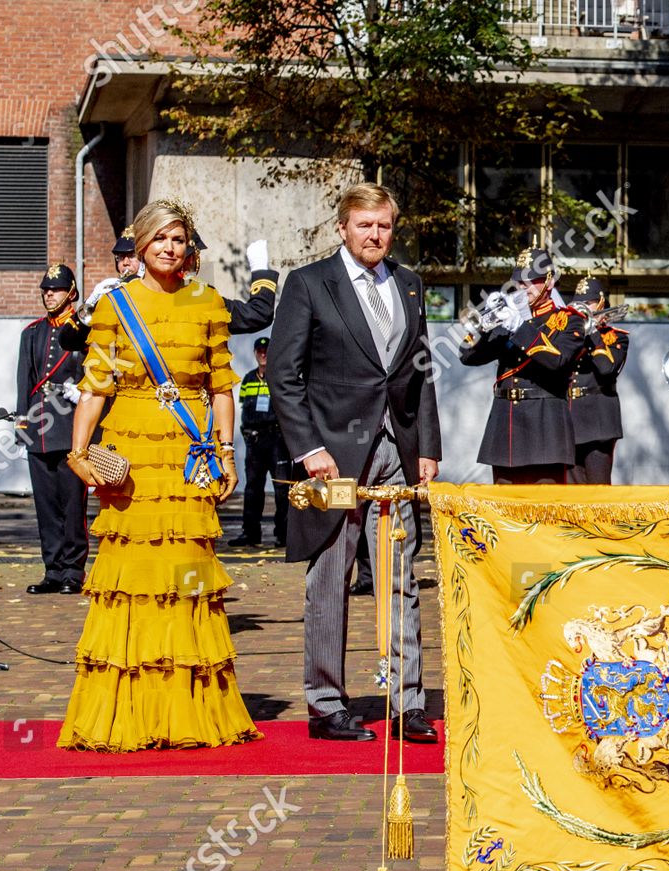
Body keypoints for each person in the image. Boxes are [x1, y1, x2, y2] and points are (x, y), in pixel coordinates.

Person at [58, 200, 260, 752]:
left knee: (186, 575)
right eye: (160, 239)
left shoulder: (210, 302)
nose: (170, 248)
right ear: (141, 245)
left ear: (188, 246)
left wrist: (226, 452)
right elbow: (96, 384)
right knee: (135, 577)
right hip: (132, 458)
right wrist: (80, 452)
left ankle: (187, 710)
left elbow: (222, 385)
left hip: (188, 454)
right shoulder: (115, 305)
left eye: (179, 239)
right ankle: (132, 710)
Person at [268, 182, 442, 744]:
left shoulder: (410, 285)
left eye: (384, 225)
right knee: (330, 579)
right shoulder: (309, 284)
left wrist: (428, 446)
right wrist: (308, 448)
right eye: (364, 225)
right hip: (332, 459)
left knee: (399, 577)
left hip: (397, 450)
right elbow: (283, 376)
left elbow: (419, 372)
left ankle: (406, 699)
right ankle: (326, 705)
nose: (375, 235)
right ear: (342, 228)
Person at [459, 248, 584, 484]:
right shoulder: (510, 318)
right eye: (519, 282)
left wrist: (519, 327)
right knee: (504, 514)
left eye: (531, 281)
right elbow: (467, 356)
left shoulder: (569, 319)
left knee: (545, 512)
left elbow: (558, 360)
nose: (524, 287)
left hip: (545, 427)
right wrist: (487, 324)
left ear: (549, 281)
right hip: (505, 426)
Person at [15, 263, 90, 595]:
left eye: (55, 289)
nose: (48, 294)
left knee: (72, 505)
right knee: (45, 506)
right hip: (39, 429)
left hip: (70, 427)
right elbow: (25, 381)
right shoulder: (31, 332)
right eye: (46, 289)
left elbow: (98, 376)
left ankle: (74, 571)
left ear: (71, 293)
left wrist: (81, 392)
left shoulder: (84, 332)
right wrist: (22, 421)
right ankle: (54, 570)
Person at [566, 275, 629, 484]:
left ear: (601, 303)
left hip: (598, 421)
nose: (583, 308)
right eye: (578, 304)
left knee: (598, 490)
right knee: (570, 494)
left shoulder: (616, 336)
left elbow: (606, 369)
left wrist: (593, 332)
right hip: (569, 419)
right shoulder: (570, 335)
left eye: (588, 303)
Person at [231, 336, 289, 548]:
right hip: (255, 442)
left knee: (283, 489)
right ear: (255, 353)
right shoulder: (248, 378)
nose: (263, 354)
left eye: (267, 350)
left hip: (277, 441)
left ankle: (283, 535)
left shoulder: (281, 378)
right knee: (253, 488)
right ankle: (250, 533)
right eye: (260, 350)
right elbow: (243, 407)